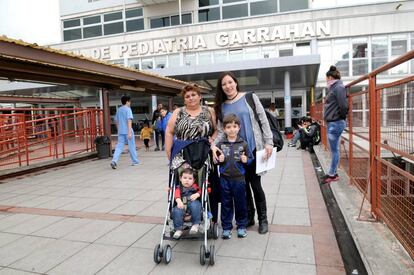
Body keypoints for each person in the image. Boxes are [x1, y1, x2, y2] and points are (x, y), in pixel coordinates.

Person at [212, 71, 273, 234]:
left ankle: (263, 219)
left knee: (255, 185)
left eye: (230, 82)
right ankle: (248, 217)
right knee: (242, 187)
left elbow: (263, 120)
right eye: (224, 84)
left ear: (236, 83)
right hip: (233, 153)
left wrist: (268, 142)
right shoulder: (222, 106)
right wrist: (213, 145)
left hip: (252, 148)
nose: (227, 86)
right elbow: (220, 130)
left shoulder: (250, 97)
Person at [165, 84, 218, 221]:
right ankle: (180, 212)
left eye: (193, 95)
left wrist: (212, 140)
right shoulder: (178, 112)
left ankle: (205, 212)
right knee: (180, 181)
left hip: (203, 150)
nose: (190, 98)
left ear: (200, 96)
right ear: (184, 100)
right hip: (182, 150)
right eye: (187, 96)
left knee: (204, 180)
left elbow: (216, 130)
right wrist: (168, 150)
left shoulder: (209, 111)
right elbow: (169, 131)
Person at [216, 114, 252, 239]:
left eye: (234, 126)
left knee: (241, 203)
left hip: (239, 180)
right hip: (224, 179)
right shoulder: (220, 144)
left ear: (239, 127)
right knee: (226, 204)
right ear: (224, 129)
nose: (232, 129)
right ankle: (226, 227)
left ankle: (241, 225)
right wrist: (219, 160)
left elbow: (251, 160)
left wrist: (246, 159)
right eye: (229, 127)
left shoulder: (244, 144)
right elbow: (215, 160)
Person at [323, 65, 348, 184]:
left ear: (330, 77)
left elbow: (343, 105)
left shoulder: (338, 88)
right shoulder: (335, 88)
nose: (326, 81)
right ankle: (333, 173)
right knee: (334, 150)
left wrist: (340, 117)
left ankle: (332, 174)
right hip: (334, 122)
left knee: (334, 150)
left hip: (336, 122)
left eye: (327, 78)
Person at [171, 167, 202, 239]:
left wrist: (197, 194)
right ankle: (178, 229)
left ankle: (195, 224)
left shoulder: (195, 187)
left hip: (192, 203)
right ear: (180, 179)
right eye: (185, 178)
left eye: (190, 179)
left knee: (195, 205)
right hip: (182, 205)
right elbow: (177, 196)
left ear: (194, 180)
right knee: (176, 211)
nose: (187, 180)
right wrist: (179, 202)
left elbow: (201, 191)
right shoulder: (179, 188)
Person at [110, 95, 139, 169]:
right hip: (128, 131)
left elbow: (116, 121)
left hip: (121, 132)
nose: (130, 103)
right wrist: (129, 132)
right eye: (130, 101)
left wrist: (118, 130)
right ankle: (135, 161)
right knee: (131, 146)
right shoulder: (128, 109)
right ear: (127, 101)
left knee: (119, 147)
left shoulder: (119, 110)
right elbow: (129, 120)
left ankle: (114, 161)